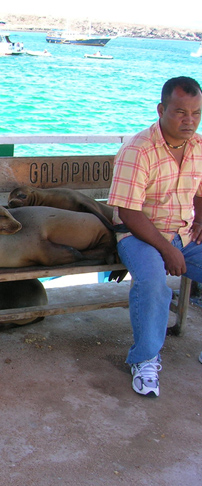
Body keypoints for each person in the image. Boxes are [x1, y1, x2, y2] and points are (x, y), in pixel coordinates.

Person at [107, 76, 202, 397]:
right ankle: (145, 358)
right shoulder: (138, 149)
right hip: (139, 234)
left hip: (184, 232)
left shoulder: (199, 147)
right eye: (180, 112)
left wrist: (200, 217)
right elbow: (130, 213)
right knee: (152, 283)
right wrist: (167, 251)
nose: (189, 121)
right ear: (161, 109)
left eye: (196, 113)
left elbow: (200, 191)